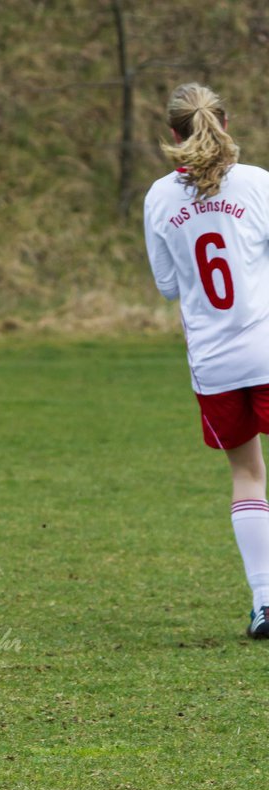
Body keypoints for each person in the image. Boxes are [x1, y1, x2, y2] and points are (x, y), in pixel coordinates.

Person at [144, 82, 269, 638]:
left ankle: (265, 602)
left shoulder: (159, 198)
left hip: (215, 363)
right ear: (224, 121)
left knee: (247, 475)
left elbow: (169, 287)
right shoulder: (258, 184)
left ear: (173, 132)